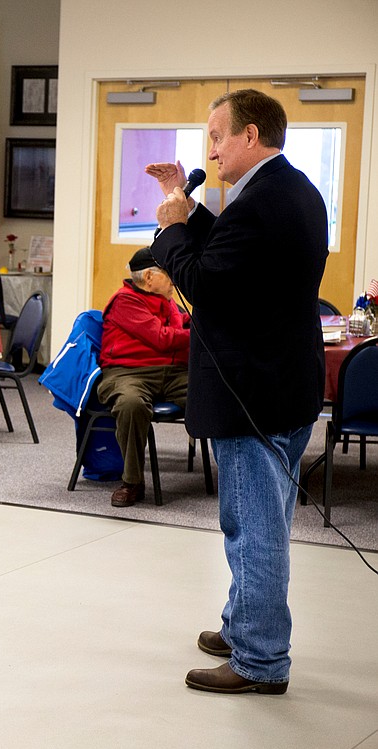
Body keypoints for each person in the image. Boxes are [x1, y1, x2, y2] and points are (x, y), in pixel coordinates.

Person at [148, 89, 328, 695]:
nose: (212, 150)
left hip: (255, 390)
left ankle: (259, 661)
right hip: (283, 383)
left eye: (218, 137)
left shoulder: (263, 202)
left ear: (250, 136)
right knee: (253, 519)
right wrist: (192, 212)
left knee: (254, 529)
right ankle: (245, 622)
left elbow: (205, 282)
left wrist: (170, 231)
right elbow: (233, 252)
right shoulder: (289, 190)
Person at [97, 247, 190, 507]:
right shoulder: (125, 301)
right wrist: (200, 333)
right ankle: (132, 481)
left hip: (171, 374)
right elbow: (161, 338)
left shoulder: (167, 299)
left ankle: (234, 475)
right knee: (131, 404)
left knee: (216, 392)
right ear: (149, 277)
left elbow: (182, 322)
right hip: (128, 372)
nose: (174, 279)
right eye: (168, 273)